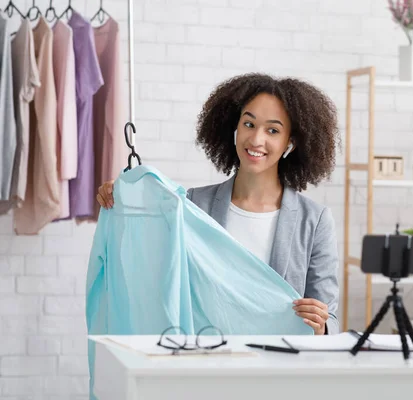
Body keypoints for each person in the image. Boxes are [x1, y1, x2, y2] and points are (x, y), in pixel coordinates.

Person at [96, 73, 342, 335]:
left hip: (278, 367)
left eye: (273, 130)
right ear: (234, 127)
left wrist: (321, 325)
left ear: (290, 143)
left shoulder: (314, 221)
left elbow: (332, 319)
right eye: (249, 124)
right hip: (209, 361)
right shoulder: (194, 204)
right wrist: (124, 197)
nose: (256, 139)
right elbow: (152, 266)